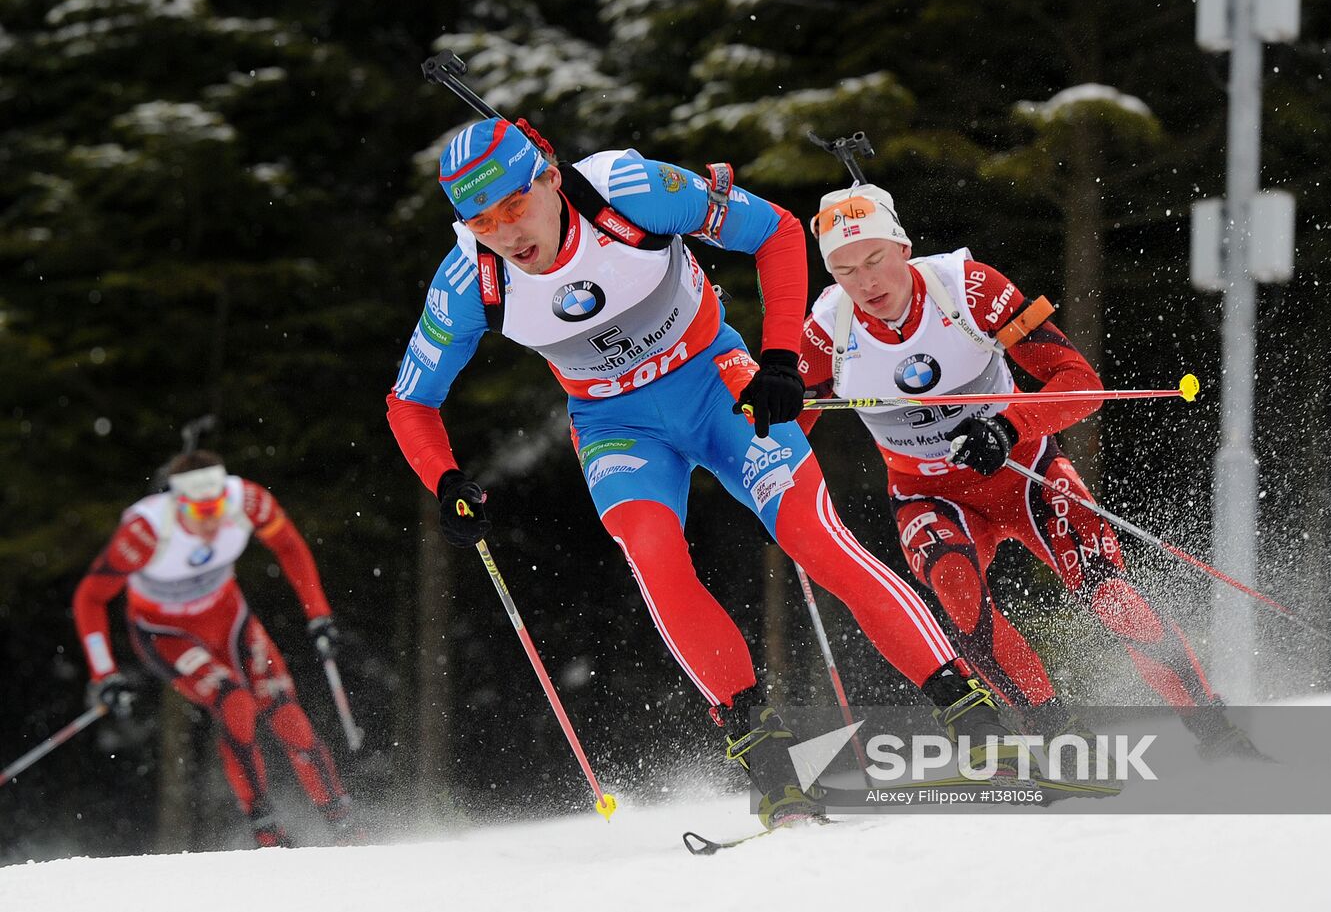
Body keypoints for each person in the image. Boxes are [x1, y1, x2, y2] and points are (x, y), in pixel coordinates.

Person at [387, 118, 1030, 826]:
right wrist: (445, 480)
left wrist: (782, 358)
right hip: (615, 425)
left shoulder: (629, 192)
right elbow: (411, 400)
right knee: (657, 560)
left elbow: (778, 231)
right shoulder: (468, 281)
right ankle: (769, 761)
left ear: (546, 176)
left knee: (818, 542)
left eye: (513, 206)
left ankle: (974, 719)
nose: (506, 233)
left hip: (717, 384)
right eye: (481, 220)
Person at [795, 182, 1264, 760]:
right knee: (959, 597)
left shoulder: (968, 290)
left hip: (1025, 472)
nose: (866, 283)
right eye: (844, 271)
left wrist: (1009, 426)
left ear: (904, 249)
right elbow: (789, 429)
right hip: (927, 495)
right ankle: (1061, 745)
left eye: (875, 260)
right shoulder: (824, 335)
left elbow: (1080, 383)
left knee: (1110, 592)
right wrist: (757, 429)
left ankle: (1217, 735)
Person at [72, 450, 355, 847]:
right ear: (177, 502)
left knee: (285, 711)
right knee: (235, 706)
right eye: (197, 510)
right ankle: (267, 832)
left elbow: (289, 546)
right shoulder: (146, 530)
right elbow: (90, 597)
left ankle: (344, 822)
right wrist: (105, 673)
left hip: (229, 619)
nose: (210, 519)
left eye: (216, 507)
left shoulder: (249, 502)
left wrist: (319, 615)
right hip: (165, 632)